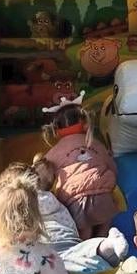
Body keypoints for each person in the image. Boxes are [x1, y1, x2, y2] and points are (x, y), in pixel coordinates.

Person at [41, 93, 118, 239]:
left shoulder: (54, 151)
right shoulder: (94, 143)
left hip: (76, 199)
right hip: (103, 195)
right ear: (84, 122)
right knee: (104, 230)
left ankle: (86, 253)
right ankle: (105, 248)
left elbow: (44, 174)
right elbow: (111, 165)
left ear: (56, 130)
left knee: (84, 235)